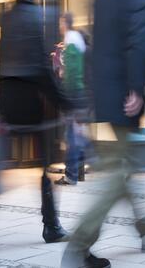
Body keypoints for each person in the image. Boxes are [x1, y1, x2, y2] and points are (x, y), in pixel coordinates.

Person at [61, 0, 145, 267]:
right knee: (117, 172)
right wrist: (136, 87)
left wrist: (89, 99)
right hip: (122, 98)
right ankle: (79, 245)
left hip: (102, 101)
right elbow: (141, 37)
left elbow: (96, 50)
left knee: (120, 164)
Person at [0, 0, 71, 244]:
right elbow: (41, 68)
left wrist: (0, 105)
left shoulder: (7, 16)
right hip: (30, 104)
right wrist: (63, 101)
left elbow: (0, 64)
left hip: (9, 103)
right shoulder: (34, 16)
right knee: (44, 166)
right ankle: (51, 225)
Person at [55, 12, 89, 186]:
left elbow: (72, 73)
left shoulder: (71, 40)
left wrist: (66, 96)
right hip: (79, 94)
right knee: (76, 134)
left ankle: (72, 174)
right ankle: (78, 167)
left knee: (72, 136)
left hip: (74, 94)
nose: (59, 26)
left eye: (61, 23)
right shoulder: (75, 40)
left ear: (65, 23)